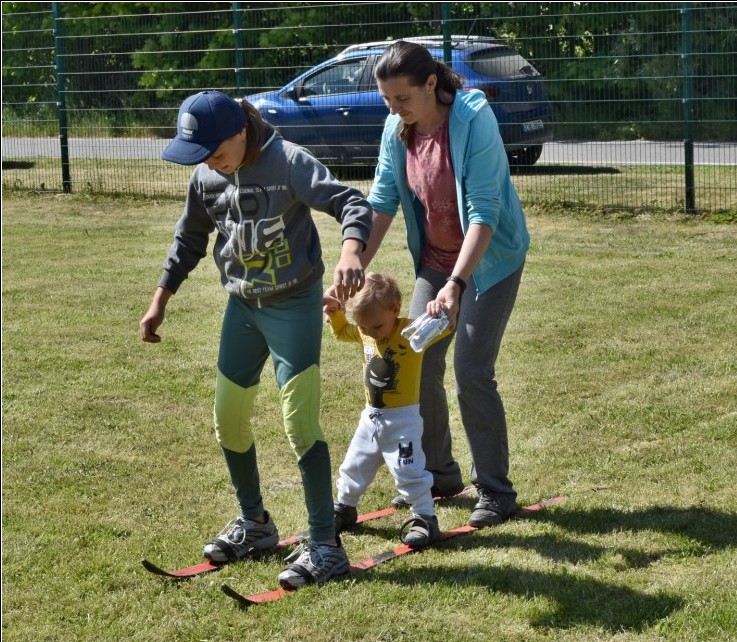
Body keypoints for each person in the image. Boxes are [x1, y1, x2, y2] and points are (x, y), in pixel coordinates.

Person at [139, 90, 372, 589]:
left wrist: (351, 252)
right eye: (199, 155)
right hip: (243, 307)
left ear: (240, 131)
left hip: (294, 305)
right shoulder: (206, 176)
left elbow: (350, 201)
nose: (208, 163)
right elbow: (189, 239)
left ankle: (326, 546)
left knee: (299, 423)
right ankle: (255, 525)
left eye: (214, 151)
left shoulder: (287, 162)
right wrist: (161, 299)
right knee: (228, 419)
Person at [331, 40, 530, 528]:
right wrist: (354, 259)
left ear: (431, 85)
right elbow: (382, 199)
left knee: (471, 369)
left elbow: (484, 212)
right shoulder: (395, 126)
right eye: (387, 100)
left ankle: (496, 490)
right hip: (435, 261)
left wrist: (457, 284)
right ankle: (440, 475)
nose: (394, 109)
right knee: (417, 360)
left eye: (402, 99)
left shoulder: (473, 120)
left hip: (488, 261)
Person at [326, 272, 453, 548]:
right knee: (353, 466)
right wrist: (335, 313)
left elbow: (446, 326)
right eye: (364, 328)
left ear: (395, 310)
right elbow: (341, 331)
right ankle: (345, 507)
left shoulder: (412, 333)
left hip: (402, 422)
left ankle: (424, 518)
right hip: (370, 419)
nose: (370, 333)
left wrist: (437, 309)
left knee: (409, 471)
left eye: (376, 327)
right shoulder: (365, 330)